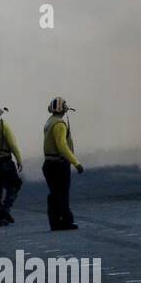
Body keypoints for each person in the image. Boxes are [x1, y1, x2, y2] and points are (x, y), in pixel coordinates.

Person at [43, 97, 82, 231]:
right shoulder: (59, 124)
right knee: (62, 194)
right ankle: (65, 221)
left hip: (48, 164)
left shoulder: (49, 122)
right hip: (58, 165)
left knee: (54, 194)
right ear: (62, 108)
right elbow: (62, 146)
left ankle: (55, 222)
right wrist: (76, 163)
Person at [0, 104, 22, 226]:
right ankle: (4, 210)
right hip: (5, 161)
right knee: (15, 184)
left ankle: (0, 216)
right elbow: (12, 145)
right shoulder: (3, 126)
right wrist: (19, 160)